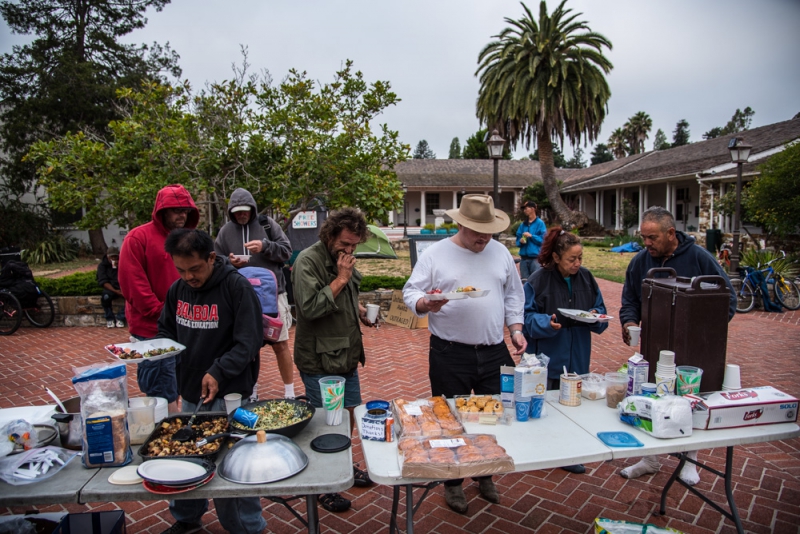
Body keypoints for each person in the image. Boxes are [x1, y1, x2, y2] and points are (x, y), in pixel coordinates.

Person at [403, 194, 527, 514]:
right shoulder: (436, 254)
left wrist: (515, 329)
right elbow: (411, 292)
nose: (483, 237)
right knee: (451, 420)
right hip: (449, 351)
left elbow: (513, 294)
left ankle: (485, 474)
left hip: (493, 350)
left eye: (488, 230)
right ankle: (453, 482)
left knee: (490, 417)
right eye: (476, 231)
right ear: (459, 224)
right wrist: (425, 304)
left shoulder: (499, 252)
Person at [157, 228, 266, 534]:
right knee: (187, 457)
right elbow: (165, 329)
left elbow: (249, 342)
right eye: (181, 270)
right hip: (192, 391)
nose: (188, 276)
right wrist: (159, 350)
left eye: (195, 269)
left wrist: (218, 371)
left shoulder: (235, 287)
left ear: (211, 258)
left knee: (234, 464)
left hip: (231, 396)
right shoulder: (177, 290)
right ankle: (187, 520)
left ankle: (247, 527)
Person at [618, 206, 736, 484]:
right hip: (653, 346)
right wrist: (629, 323)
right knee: (649, 398)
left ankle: (689, 461)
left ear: (671, 233)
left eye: (652, 238)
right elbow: (629, 300)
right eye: (643, 237)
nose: (647, 244)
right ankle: (650, 459)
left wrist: (703, 331)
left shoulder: (700, 258)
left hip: (694, 349)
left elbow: (727, 300)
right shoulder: (640, 262)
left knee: (691, 401)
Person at [292, 207, 376, 513]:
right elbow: (311, 308)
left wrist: (361, 311)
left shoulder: (346, 259)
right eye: (345, 244)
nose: (350, 250)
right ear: (329, 235)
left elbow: (346, 299)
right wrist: (341, 277)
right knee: (326, 423)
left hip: (346, 356)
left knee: (348, 416)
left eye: (354, 245)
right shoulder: (308, 261)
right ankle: (323, 484)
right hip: (319, 360)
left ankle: (342, 463)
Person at [522, 227, 608, 474]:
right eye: (572, 259)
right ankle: (542, 448)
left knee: (572, 403)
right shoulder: (538, 280)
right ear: (557, 257)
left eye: (580, 258)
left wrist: (595, 317)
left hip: (578, 351)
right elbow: (526, 317)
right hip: (549, 353)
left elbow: (599, 308)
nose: (577, 263)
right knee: (545, 403)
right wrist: (545, 323)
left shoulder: (587, 278)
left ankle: (568, 451)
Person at [118, 184, 199, 414]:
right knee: (162, 391)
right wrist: (163, 313)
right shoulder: (138, 238)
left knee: (184, 382)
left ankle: (180, 431)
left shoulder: (189, 240)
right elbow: (133, 285)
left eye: (186, 210)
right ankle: (172, 437)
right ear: (161, 210)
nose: (182, 214)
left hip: (185, 326)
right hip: (152, 330)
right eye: (175, 209)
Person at [214, 188, 295, 399]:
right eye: (237, 211)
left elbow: (287, 251)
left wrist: (265, 246)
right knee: (248, 347)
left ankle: (289, 392)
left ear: (252, 209)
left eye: (245, 211)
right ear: (231, 212)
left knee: (281, 344)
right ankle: (252, 391)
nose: (242, 215)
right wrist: (229, 262)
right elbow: (215, 260)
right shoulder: (225, 232)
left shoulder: (267, 225)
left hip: (273, 293)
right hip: (241, 297)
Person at [516, 200, 547, 279]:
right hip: (523, 260)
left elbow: (544, 240)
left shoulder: (540, 223)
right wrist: (520, 241)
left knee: (536, 282)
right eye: (524, 209)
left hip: (535, 260)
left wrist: (531, 236)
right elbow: (518, 239)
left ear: (533, 209)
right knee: (525, 282)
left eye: (526, 208)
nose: (525, 210)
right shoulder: (523, 225)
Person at [96, 246, 126, 328]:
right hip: (111, 289)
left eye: (115, 257)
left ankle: (120, 318)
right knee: (105, 297)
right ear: (107, 256)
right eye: (111, 257)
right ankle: (110, 318)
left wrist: (120, 266)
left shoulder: (123, 263)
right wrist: (116, 291)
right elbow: (103, 281)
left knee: (133, 298)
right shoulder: (102, 266)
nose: (113, 259)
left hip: (122, 287)